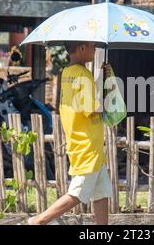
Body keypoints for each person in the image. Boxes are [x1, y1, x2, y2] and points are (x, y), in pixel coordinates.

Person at [28, 41, 113, 225]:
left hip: (84, 142)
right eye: (92, 46)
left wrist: (101, 79)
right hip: (88, 145)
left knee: (102, 193)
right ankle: (38, 221)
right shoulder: (83, 74)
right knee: (77, 193)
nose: (95, 49)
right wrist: (111, 99)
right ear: (82, 49)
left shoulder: (68, 73)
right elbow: (92, 108)